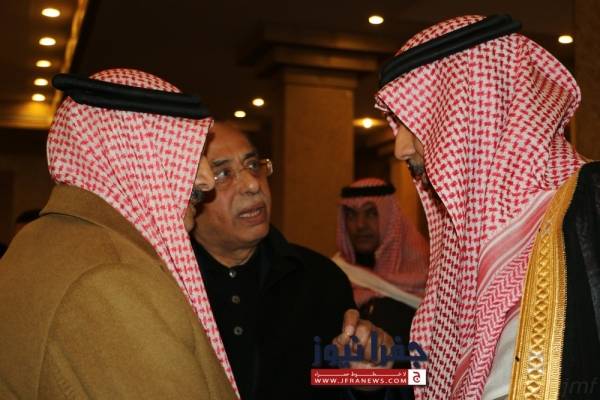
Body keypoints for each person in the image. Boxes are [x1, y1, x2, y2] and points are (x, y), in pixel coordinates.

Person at [375, 14, 600, 400]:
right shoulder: (468, 247)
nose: (401, 148)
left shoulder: (587, 207)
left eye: (415, 120)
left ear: (473, 109)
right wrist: (376, 379)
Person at [0, 69, 237, 399]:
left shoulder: (44, 240)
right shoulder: (112, 280)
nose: (207, 181)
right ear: (130, 157)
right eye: (192, 156)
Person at [189, 122, 404, 400]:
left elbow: (341, 384)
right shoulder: (166, 284)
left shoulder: (321, 279)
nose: (253, 184)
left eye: (253, 165)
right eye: (223, 173)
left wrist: (368, 382)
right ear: (190, 192)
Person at [333, 178, 428, 346]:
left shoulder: (429, 273)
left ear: (390, 218)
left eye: (371, 213)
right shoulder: (334, 274)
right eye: (351, 215)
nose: (360, 225)